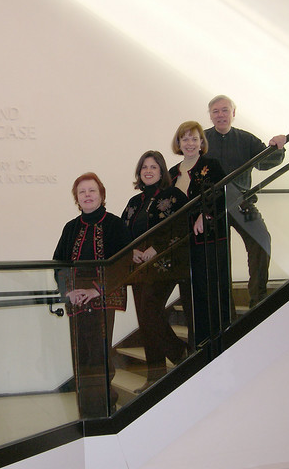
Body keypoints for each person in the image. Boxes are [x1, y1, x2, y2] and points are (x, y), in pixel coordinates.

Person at [53, 172, 132, 418]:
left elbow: (123, 262)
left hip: (103, 293)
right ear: (77, 198)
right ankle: (86, 408)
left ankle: (105, 406)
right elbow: (59, 263)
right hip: (76, 296)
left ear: (101, 194)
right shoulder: (70, 227)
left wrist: (94, 289)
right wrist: (68, 291)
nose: (87, 195)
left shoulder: (116, 224)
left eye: (92, 191)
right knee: (82, 353)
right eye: (82, 192)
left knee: (99, 352)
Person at [205, 95, 286, 309]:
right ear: (210, 116)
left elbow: (266, 161)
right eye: (215, 111)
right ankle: (224, 309)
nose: (220, 114)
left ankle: (258, 299)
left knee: (261, 240)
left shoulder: (246, 139)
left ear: (233, 112)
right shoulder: (202, 139)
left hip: (242, 203)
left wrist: (277, 146)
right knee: (218, 255)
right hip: (211, 207)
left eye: (224, 110)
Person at [121, 151, 189, 393]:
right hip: (138, 268)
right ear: (139, 173)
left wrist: (156, 248)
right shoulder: (133, 203)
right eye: (144, 167)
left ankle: (181, 354)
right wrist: (130, 252)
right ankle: (154, 376)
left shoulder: (174, 196)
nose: (148, 171)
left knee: (150, 309)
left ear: (162, 171)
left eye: (153, 167)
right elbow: (123, 234)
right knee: (145, 318)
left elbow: (182, 227)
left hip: (165, 266)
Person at [168, 121, 230, 349]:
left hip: (209, 239)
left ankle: (219, 339)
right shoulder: (172, 173)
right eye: (185, 139)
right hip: (184, 244)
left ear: (202, 142)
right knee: (193, 296)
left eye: (195, 139)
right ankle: (200, 344)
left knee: (211, 290)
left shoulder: (211, 165)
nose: (190, 143)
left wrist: (206, 214)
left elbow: (222, 194)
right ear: (178, 143)